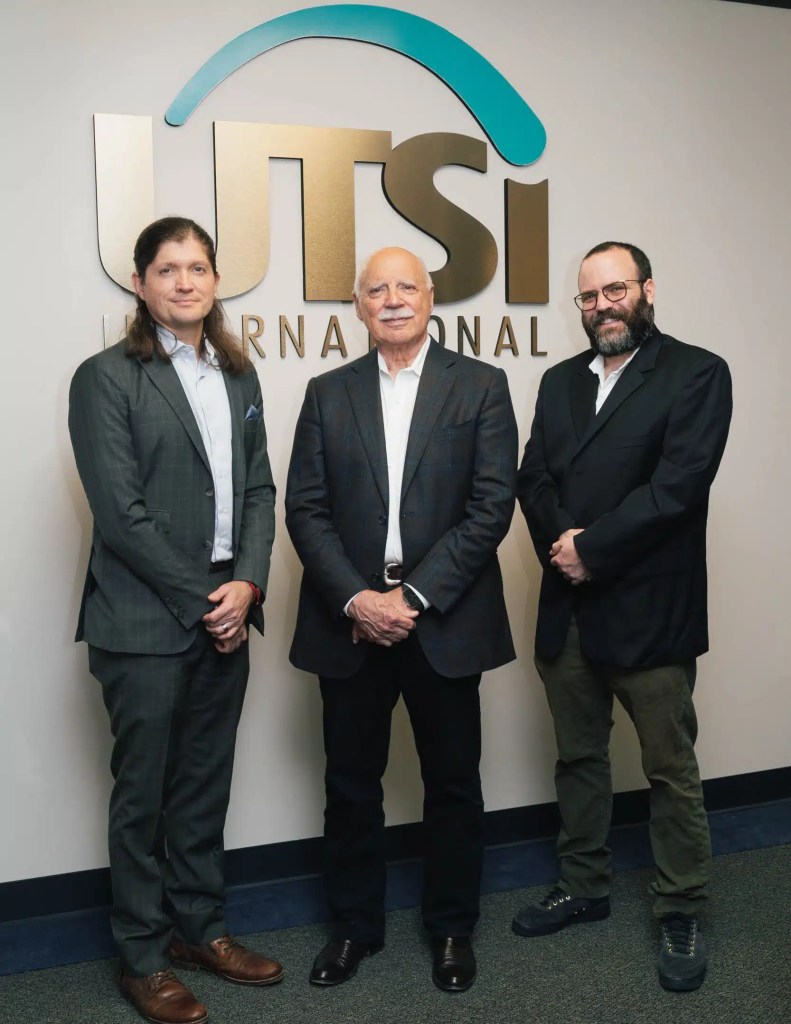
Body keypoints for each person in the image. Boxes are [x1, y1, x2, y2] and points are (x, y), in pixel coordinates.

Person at [285, 247, 517, 992]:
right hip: (348, 619)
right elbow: (305, 509)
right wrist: (358, 598)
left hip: (441, 620)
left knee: (452, 785)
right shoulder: (326, 392)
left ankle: (451, 929)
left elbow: (490, 507)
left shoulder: (480, 386)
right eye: (376, 289)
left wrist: (410, 600)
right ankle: (354, 929)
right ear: (357, 305)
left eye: (405, 287)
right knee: (351, 784)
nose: (391, 299)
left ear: (430, 297)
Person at [69, 217, 281, 1024]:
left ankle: (201, 930)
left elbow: (259, 490)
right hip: (144, 622)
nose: (185, 282)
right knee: (144, 799)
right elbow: (121, 518)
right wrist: (208, 600)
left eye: (198, 268)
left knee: (202, 787)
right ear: (140, 283)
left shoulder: (237, 374)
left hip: (229, 609)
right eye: (168, 269)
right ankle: (144, 957)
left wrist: (249, 586)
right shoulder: (106, 378)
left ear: (216, 281)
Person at [513, 241, 732, 992]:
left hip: (648, 610)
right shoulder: (556, 381)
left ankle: (680, 905)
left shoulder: (696, 373)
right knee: (578, 758)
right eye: (587, 296)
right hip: (568, 607)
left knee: (668, 771)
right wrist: (563, 543)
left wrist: (592, 548)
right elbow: (531, 473)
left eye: (614, 290)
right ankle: (584, 884)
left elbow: (677, 488)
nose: (601, 306)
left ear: (646, 290)